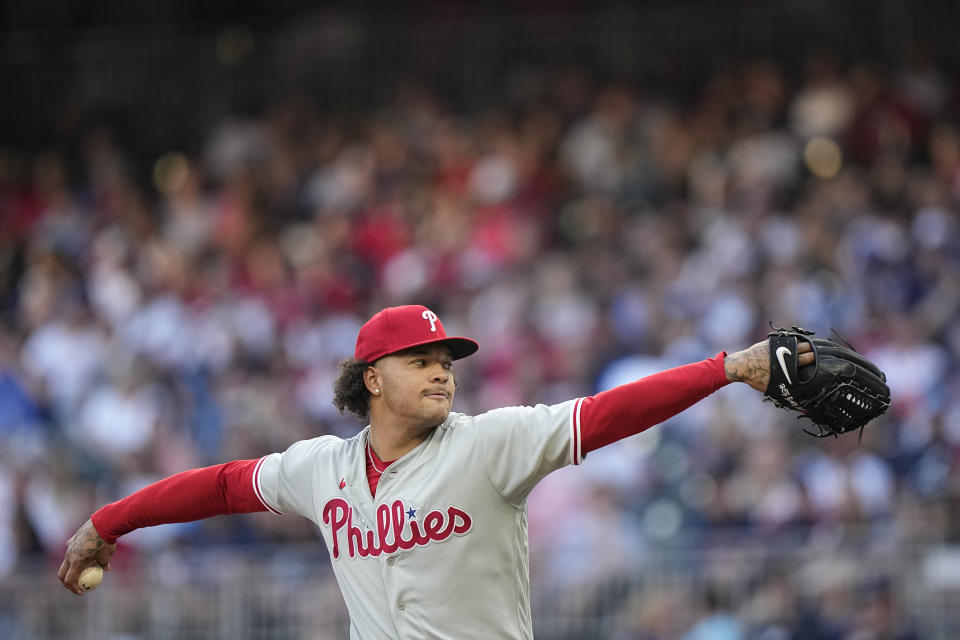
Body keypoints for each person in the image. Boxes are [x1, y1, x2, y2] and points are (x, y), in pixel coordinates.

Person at [59, 304, 812, 639]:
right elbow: (218, 487)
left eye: (445, 362)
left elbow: (607, 413)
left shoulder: (489, 444)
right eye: (419, 361)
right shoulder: (322, 468)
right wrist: (106, 522)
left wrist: (729, 367)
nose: (441, 372)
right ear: (372, 379)